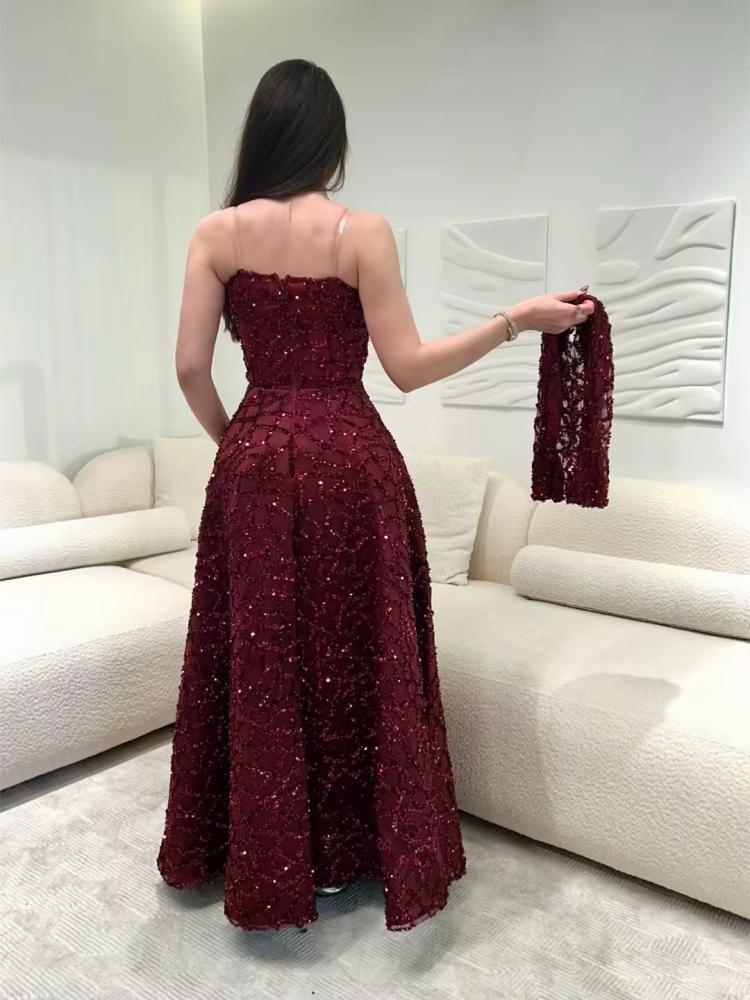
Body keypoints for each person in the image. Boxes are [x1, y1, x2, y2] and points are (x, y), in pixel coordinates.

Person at [156, 58, 595, 935]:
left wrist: (241, 442)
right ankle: (349, 852)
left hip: (254, 461)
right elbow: (407, 368)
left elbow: (191, 369)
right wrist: (514, 320)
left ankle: (266, 849)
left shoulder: (214, 234)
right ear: (331, 142)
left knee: (264, 652)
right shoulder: (362, 232)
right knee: (356, 651)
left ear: (260, 136)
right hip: (352, 463)